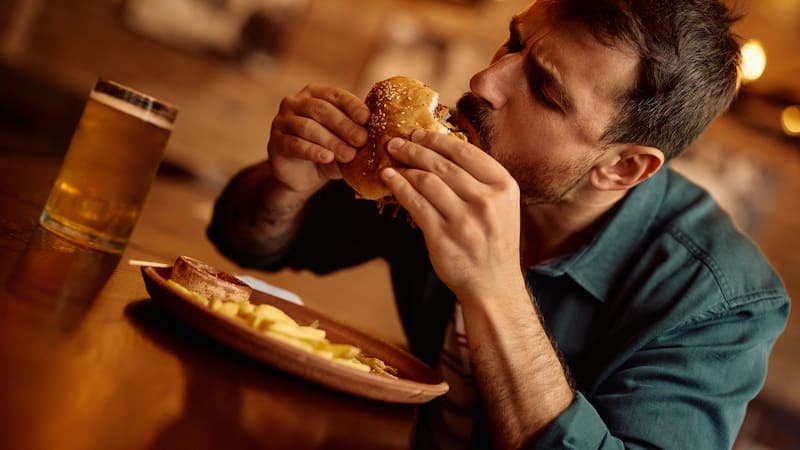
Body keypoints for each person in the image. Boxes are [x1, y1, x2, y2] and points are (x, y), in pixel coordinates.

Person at [207, 0, 790, 448]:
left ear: (623, 166)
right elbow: (249, 242)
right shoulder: (453, 152)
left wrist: (495, 287)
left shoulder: (723, 300)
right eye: (513, 41)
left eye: (543, 89)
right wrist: (286, 186)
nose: (486, 81)